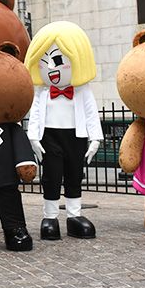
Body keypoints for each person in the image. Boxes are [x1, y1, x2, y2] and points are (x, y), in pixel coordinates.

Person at [24, 21, 103, 241]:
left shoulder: (82, 90)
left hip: (76, 136)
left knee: (74, 174)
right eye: (45, 61)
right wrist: (33, 137)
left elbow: (91, 112)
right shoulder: (41, 91)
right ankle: (50, 216)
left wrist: (96, 138)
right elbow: (35, 114)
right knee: (51, 176)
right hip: (49, 137)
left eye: (58, 60)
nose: (51, 67)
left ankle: (74, 215)